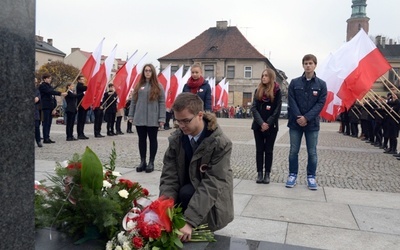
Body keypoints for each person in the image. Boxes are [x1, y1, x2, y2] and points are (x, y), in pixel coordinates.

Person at [159, 93, 233, 242]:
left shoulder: (220, 143)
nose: (181, 126)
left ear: (200, 115)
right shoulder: (177, 139)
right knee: (183, 192)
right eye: (178, 121)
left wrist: (189, 221)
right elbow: (169, 175)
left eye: (186, 121)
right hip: (185, 192)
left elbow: (212, 184)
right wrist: (164, 208)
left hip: (210, 203)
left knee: (188, 192)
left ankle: (194, 222)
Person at [286, 54, 327, 190]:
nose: (308, 66)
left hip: (312, 124)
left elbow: (320, 104)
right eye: (306, 63)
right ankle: (292, 174)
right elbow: (291, 101)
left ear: (315, 65)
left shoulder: (321, 84)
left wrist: (307, 118)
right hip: (295, 123)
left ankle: (311, 176)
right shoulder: (294, 82)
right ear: (302, 65)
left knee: (312, 152)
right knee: (293, 150)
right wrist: (299, 117)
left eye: (310, 63)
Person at [128, 64, 166, 173]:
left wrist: (162, 118)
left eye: (149, 70)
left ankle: (151, 162)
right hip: (140, 117)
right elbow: (134, 101)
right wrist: (131, 115)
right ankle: (142, 161)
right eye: (146, 70)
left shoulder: (159, 86)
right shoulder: (139, 85)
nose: (147, 72)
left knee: (153, 139)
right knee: (141, 140)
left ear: (153, 72)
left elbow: (162, 103)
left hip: (153, 118)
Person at [251, 68, 282, 184]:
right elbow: (254, 108)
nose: (263, 77)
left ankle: (267, 174)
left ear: (271, 77)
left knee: (268, 150)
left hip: (271, 126)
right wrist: (261, 123)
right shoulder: (257, 90)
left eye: (266, 76)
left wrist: (268, 123)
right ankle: (259, 173)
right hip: (258, 126)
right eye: (262, 75)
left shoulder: (277, 91)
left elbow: (277, 110)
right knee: (259, 150)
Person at [38, 73, 67, 144]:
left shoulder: (49, 86)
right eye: (48, 78)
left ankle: (48, 136)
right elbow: (50, 92)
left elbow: (52, 97)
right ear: (44, 79)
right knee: (45, 122)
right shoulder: (42, 86)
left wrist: (54, 107)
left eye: (50, 78)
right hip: (45, 106)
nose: (50, 80)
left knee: (49, 123)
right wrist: (60, 93)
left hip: (50, 106)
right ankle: (45, 138)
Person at [76, 75, 89, 140]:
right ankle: (79, 133)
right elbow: (86, 88)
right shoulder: (79, 85)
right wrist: (91, 84)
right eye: (81, 79)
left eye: (83, 79)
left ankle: (82, 133)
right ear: (78, 80)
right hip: (81, 104)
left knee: (83, 120)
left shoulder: (82, 85)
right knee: (80, 120)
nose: (82, 81)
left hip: (84, 104)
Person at [34, 78, 42, 147]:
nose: (35, 83)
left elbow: (39, 97)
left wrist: (38, 98)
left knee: (37, 127)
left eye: (36, 82)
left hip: (35, 111)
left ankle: (38, 140)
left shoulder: (37, 90)